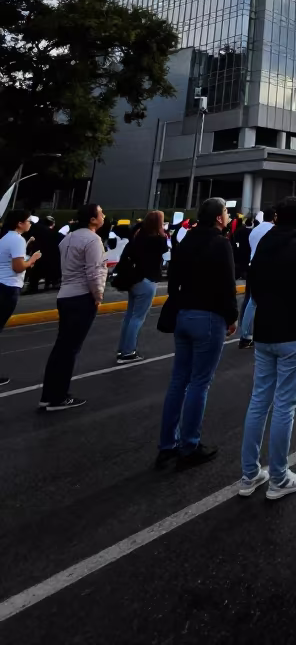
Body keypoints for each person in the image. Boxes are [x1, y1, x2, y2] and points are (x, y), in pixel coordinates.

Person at [238, 197, 296, 499]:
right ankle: (278, 477)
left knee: (259, 400)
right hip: (294, 333)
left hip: (266, 331)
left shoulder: (265, 243)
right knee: (285, 404)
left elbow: (254, 288)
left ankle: (249, 474)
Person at [156, 197, 238, 469]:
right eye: (226, 212)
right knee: (199, 382)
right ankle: (189, 445)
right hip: (208, 316)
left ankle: (167, 444)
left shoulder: (186, 240)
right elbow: (227, 284)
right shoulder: (220, 243)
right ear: (218, 218)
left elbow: (173, 279)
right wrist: (231, 316)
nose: (227, 216)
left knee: (178, 380)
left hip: (183, 313)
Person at [39, 204, 106, 411]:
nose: (103, 215)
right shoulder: (92, 239)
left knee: (62, 347)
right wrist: (98, 295)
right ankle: (58, 396)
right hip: (82, 296)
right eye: (100, 212)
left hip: (65, 294)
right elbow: (94, 272)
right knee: (70, 349)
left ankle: (49, 395)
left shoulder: (69, 237)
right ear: (93, 219)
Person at [116, 210, 168, 363]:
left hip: (134, 279)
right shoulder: (157, 239)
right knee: (137, 318)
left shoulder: (138, 235)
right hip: (147, 280)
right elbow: (164, 250)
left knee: (130, 316)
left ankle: (122, 349)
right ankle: (128, 352)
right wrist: (163, 233)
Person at [0, 210, 41, 386]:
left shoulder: (7, 238)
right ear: (19, 223)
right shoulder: (17, 239)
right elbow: (18, 267)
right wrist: (33, 259)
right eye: (27, 221)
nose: (29, 224)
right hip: (8, 288)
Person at [238, 208, 275, 350]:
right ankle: (259, 334)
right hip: (266, 267)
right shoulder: (273, 230)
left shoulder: (255, 230)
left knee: (251, 301)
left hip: (253, 266)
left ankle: (246, 335)